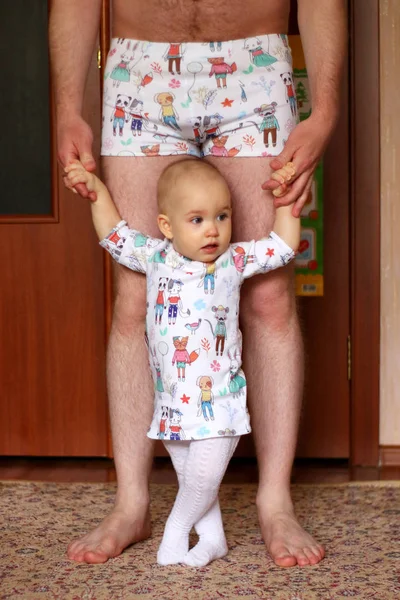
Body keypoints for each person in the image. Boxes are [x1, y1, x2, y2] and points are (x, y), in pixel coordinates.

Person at [49, 0, 346, 567]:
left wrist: (324, 111)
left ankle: (275, 501)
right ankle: (132, 503)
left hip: (254, 65)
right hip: (140, 67)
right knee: (136, 296)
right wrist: (67, 105)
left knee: (269, 298)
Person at [64, 157, 300, 567]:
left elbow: (282, 247)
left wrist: (285, 202)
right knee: (193, 478)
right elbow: (114, 235)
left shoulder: (234, 260)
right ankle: (213, 538)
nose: (213, 229)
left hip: (220, 402)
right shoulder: (154, 257)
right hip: (171, 406)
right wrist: (96, 191)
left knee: (203, 479)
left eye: (222, 216)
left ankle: (174, 534)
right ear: (167, 226)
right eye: (197, 219)